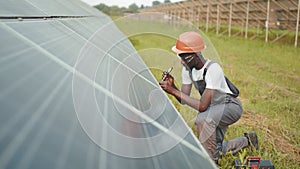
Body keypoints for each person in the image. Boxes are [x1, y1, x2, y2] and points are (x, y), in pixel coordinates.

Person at [159, 31, 258, 163]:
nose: (181, 61)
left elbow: (202, 106)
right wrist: (174, 87)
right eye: (180, 56)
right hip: (214, 108)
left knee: (203, 120)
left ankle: (210, 163)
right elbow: (183, 99)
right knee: (213, 148)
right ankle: (248, 141)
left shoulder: (213, 69)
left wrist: (173, 91)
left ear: (195, 55)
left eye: (184, 57)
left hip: (230, 106)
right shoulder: (188, 70)